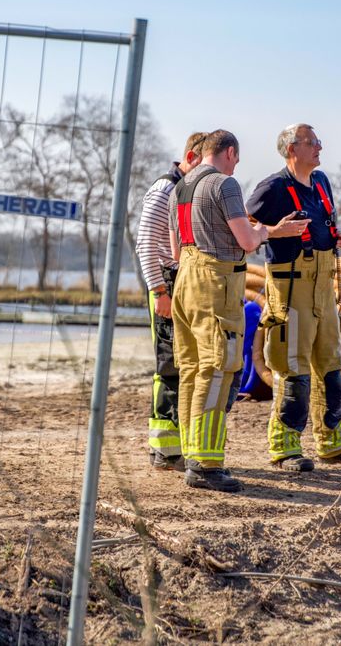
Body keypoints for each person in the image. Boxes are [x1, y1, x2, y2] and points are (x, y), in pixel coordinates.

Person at [168, 129, 308, 492]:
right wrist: (267, 233)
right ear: (229, 153)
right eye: (237, 158)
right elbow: (246, 241)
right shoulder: (224, 185)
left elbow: (174, 250)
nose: (237, 165)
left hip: (185, 280)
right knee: (219, 368)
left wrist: (262, 230)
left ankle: (189, 451)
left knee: (190, 368)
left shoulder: (181, 186)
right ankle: (206, 463)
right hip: (217, 283)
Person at [246, 124, 341, 472]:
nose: (320, 146)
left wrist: (336, 236)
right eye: (312, 142)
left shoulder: (321, 183)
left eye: (318, 141)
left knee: (331, 366)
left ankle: (333, 443)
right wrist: (274, 231)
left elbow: (322, 224)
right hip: (290, 289)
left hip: (323, 285)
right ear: (292, 149)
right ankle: (284, 448)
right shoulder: (272, 188)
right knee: (293, 368)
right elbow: (242, 229)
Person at [135, 132, 207, 471]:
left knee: (183, 364)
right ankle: (164, 449)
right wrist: (160, 292)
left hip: (180, 284)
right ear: (192, 158)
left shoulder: (184, 189)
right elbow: (146, 246)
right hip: (165, 284)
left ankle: (174, 445)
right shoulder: (164, 189)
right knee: (169, 366)